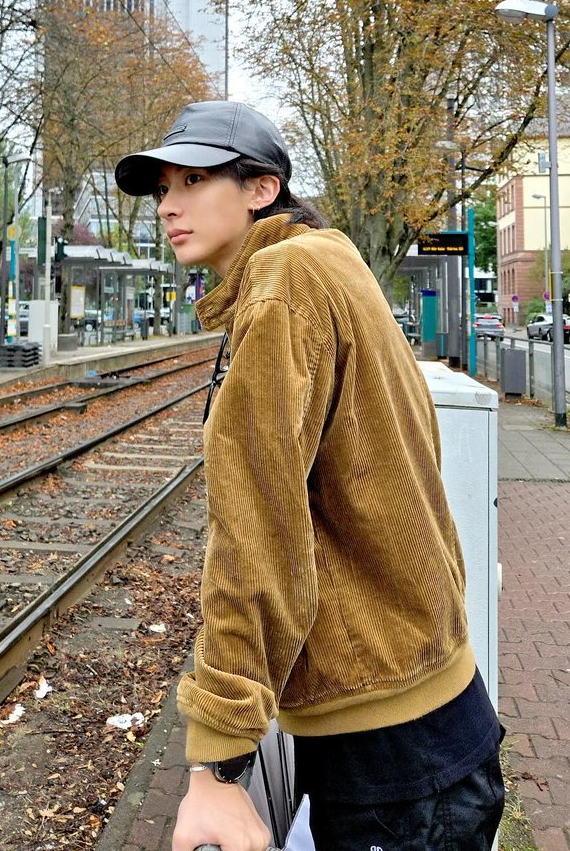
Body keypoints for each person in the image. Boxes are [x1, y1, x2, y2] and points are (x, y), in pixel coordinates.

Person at [115, 101, 504, 851]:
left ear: (261, 188)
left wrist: (216, 759)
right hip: (431, 705)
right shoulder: (328, 259)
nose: (168, 206)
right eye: (162, 188)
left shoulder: (283, 283)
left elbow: (255, 528)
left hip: (387, 753)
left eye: (194, 180)